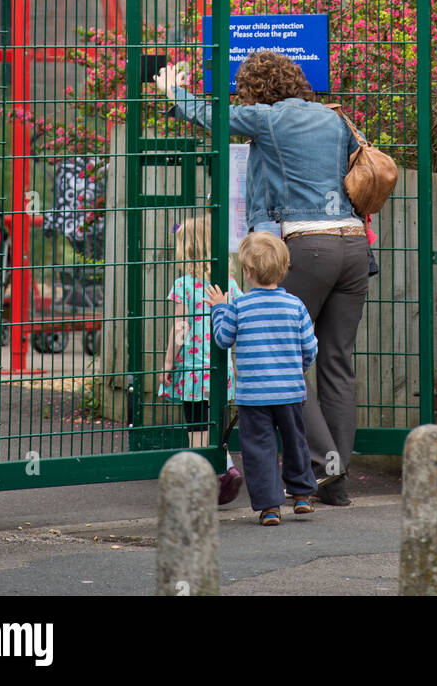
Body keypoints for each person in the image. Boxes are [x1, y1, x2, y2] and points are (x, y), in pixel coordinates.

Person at [156, 49, 370, 506]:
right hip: (355, 247)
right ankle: (336, 480)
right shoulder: (336, 119)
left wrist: (172, 90)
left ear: (256, 90)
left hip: (309, 247)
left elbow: (211, 116)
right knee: (336, 362)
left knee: (286, 356)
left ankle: (323, 460)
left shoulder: (269, 118)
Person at [206, 232, 318, 526]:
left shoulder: (239, 307)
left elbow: (222, 338)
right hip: (291, 391)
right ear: (283, 269)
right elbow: (311, 347)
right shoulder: (295, 306)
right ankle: (303, 494)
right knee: (295, 441)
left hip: (254, 395)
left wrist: (218, 308)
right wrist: (300, 367)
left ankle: (270, 507)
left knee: (259, 449)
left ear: (248, 271)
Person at [159, 212, 244, 506]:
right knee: (216, 426)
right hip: (222, 370)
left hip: (194, 371)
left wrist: (169, 361)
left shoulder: (184, 285)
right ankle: (228, 468)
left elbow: (180, 327)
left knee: (195, 427)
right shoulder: (229, 284)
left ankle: (200, 484)